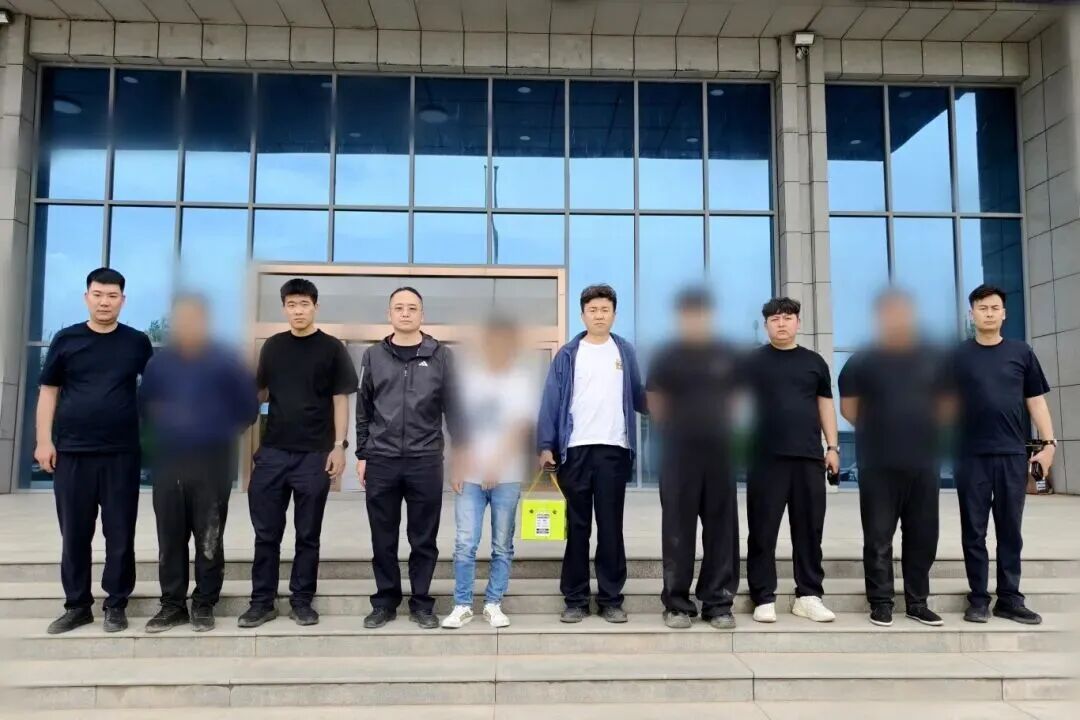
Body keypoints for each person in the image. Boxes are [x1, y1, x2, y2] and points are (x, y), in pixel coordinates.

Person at [35, 268, 154, 635]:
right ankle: (77, 606)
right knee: (74, 534)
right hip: (72, 451)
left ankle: (116, 604)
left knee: (120, 533)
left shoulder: (136, 342)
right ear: (87, 297)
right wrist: (43, 441)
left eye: (112, 296)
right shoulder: (66, 339)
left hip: (122, 453)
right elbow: (49, 392)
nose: (105, 302)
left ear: (123, 300)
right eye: (98, 294)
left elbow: (155, 393)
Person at [239, 278, 358, 629]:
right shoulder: (273, 347)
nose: (298, 311)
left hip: (314, 455)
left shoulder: (332, 348)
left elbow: (340, 399)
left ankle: (302, 601)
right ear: (284, 309)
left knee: (307, 534)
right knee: (266, 533)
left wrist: (339, 446)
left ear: (315, 307)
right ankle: (262, 602)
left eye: (304, 304)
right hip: (273, 452)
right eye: (291, 305)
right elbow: (259, 392)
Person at [139, 294, 259, 633]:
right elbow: (145, 407)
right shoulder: (159, 364)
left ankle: (204, 603)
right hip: (169, 462)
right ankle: (172, 605)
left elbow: (247, 408)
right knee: (170, 536)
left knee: (209, 535)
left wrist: (216, 432)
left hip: (211, 461)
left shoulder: (226, 361)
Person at [537, 284, 647, 624]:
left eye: (605, 310)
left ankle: (611, 599)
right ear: (582, 315)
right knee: (578, 527)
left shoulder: (624, 351)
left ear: (614, 314)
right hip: (575, 451)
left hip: (614, 450)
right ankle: (575, 599)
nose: (599, 315)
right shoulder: (569, 354)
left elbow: (638, 395)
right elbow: (551, 400)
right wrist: (545, 445)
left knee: (611, 527)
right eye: (593, 310)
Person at [357, 287, 465, 630]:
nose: (405, 313)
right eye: (399, 308)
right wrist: (362, 453)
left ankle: (421, 603)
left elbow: (454, 408)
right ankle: (385, 602)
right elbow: (364, 409)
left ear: (422, 314)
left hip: (425, 459)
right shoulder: (373, 355)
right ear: (389, 314)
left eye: (412, 308)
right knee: (382, 537)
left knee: (423, 538)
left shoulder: (441, 356)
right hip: (382, 458)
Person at [838, 290, 945, 628]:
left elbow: (947, 405)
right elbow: (849, 409)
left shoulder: (932, 358)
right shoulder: (862, 361)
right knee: (878, 537)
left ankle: (917, 602)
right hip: (878, 463)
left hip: (923, 462)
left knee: (923, 535)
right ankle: (881, 602)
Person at [951, 284, 1055, 625]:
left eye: (995, 308)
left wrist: (1049, 444)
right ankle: (978, 599)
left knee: (1010, 529)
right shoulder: (957, 356)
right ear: (972, 314)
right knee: (974, 531)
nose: (989, 313)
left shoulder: (1021, 353)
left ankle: (1009, 598)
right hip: (970, 456)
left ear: (1004, 313)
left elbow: (1036, 401)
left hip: (1011, 454)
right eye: (982, 308)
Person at [646, 287, 740, 630]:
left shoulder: (726, 353)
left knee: (722, 530)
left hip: (719, 454)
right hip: (678, 455)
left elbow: (736, 400)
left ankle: (718, 603)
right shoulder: (666, 356)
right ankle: (677, 604)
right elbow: (655, 401)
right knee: (677, 529)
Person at [742, 297, 838, 624]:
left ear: (798, 322)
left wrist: (833, 447)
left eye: (787, 318)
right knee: (762, 530)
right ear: (766, 325)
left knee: (809, 531)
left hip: (809, 458)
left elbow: (825, 405)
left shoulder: (814, 362)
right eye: (774, 319)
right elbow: (734, 404)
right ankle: (763, 597)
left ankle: (808, 596)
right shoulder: (753, 362)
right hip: (765, 459)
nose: (781, 323)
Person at [441, 317, 535, 630]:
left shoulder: (520, 380)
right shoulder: (469, 379)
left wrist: (496, 464)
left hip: (506, 476)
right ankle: (462, 605)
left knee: (501, 544)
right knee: (465, 543)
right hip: (469, 475)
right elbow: (458, 425)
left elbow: (520, 426)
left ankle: (493, 603)